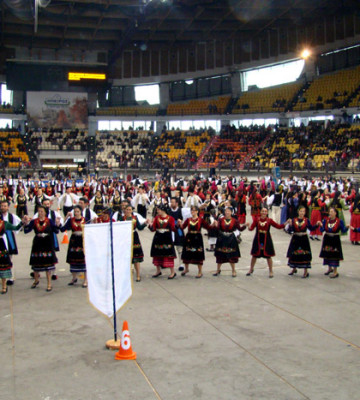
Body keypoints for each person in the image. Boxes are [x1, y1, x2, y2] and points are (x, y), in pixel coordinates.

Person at [24, 205, 61, 292]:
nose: (40, 213)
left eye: (42, 211)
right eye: (39, 211)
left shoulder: (49, 221)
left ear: (45, 212)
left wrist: (57, 224)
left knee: (48, 265)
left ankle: (49, 283)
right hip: (37, 243)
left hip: (47, 243)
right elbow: (26, 231)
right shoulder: (34, 221)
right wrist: (25, 223)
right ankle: (36, 280)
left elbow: (56, 231)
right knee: (36, 263)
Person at [247, 207, 288, 278]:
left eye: (265, 211)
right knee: (254, 255)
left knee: (268, 256)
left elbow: (278, 226)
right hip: (258, 239)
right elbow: (251, 228)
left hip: (266, 239)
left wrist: (286, 223)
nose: (263, 213)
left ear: (267, 213)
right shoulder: (257, 219)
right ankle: (251, 269)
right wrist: (248, 226)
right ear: (260, 212)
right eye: (262, 211)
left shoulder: (269, 220)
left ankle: (271, 271)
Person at [212, 206, 247, 278]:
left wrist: (245, 226)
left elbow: (239, 228)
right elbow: (218, 228)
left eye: (229, 211)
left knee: (231, 255)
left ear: (231, 212)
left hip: (231, 239)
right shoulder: (221, 219)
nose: (227, 212)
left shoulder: (235, 220)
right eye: (226, 211)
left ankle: (233, 270)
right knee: (220, 255)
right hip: (222, 239)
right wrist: (215, 225)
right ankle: (218, 269)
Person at [179, 206, 212, 278]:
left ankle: (200, 271)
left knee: (198, 254)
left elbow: (208, 227)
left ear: (197, 211)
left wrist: (214, 225)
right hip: (189, 237)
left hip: (197, 238)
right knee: (187, 253)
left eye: (194, 210)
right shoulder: (188, 220)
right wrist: (179, 224)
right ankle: (186, 269)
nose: (192, 212)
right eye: (191, 210)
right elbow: (182, 227)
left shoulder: (201, 220)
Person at [60, 205, 88, 287]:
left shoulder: (85, 220)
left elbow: (90, 229)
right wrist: (64, 219)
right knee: (73, 260)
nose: (76, 213)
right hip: (74, 241)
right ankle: (74, 277)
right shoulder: (71, 220)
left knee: (84, 260)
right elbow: (62, 229)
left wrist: (83, 227)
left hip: (82, 241)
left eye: (78, 211)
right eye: (75, 212)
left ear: (80, 212)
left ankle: (85, 280)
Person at [286, 206, 317, 278]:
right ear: (298, 212)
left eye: (303, 211)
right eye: (301, 211)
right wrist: (290, 224)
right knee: (294, 253)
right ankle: (294, 268)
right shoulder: (294, 220)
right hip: (295, 238)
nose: (302, 213)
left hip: (304, 239)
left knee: (304, 254)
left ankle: (306, 271)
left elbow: (311, 228)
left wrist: (317, 225)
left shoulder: (306, 220)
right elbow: (290, 230)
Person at [318, 207, 348, 279]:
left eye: (332, 212)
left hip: (335, 240)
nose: (330, 213)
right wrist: (320, 225)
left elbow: (343, 230)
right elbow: (322, 230)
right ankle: (329, 268)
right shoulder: (326, 220)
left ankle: (335, 271)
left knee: (334, 255)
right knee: (328, 254)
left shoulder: (339, 221)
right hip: (327, 239)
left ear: (335, 213)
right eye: (330, 212)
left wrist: (347, 227)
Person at [148, 204, 177, 279]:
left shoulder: (170, 218)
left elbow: (174, 229)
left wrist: (178, 225)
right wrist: (150, 225)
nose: (157, 211)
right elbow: (153, 229)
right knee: (157, 254)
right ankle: (158, 270)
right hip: (158, 238)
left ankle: (172, 272)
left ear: (163, 210)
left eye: (158, 210)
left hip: (167, 238)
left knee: (169, 254)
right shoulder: (157, 218)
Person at [120, 204, 148, 282]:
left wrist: (145, 224)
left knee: (136, 258)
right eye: (127, 209)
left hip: (134, 237)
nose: (128, 211)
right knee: (126, 257)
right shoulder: (122, 218)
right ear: (124, 210)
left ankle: (138, 275)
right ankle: (126, 276)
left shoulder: (135, 218)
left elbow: (139, 227)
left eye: (130, 209)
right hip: (125, 237)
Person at [0, 217, 23, 294]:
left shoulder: (4, 223)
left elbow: (15, 228)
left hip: (1, 247)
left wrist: (22, 223)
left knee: (2, 266)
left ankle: (4, 286)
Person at [1, 199, 21, 286]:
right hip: (1, 240)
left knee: (9, 258)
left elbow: (17, 226)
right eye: (1, 206)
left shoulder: (12, 216)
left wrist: (23, 223)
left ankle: (10, 277)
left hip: (9, 238)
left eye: (5, 206)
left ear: (8, 207)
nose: (3, 208)